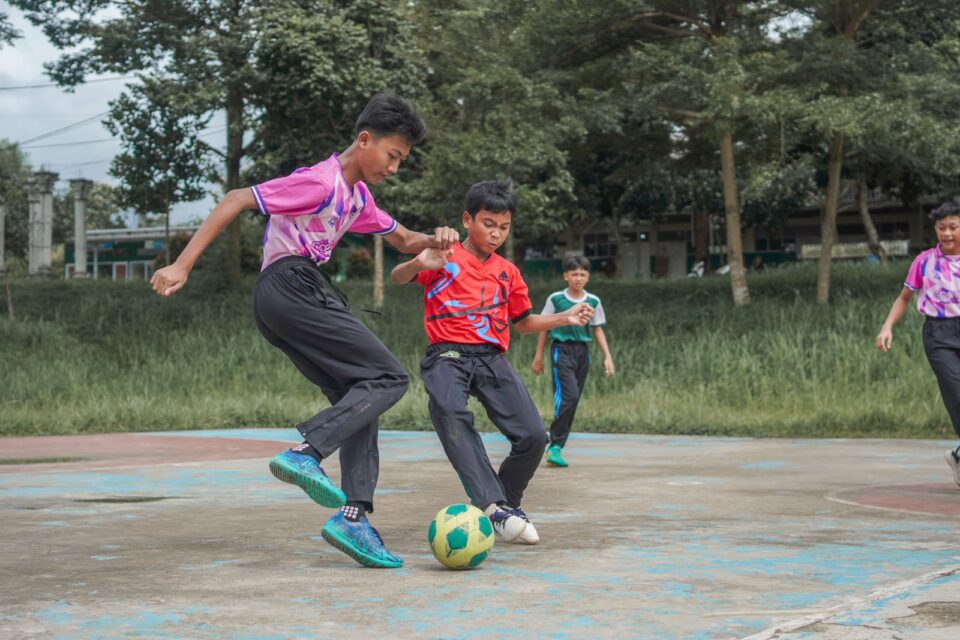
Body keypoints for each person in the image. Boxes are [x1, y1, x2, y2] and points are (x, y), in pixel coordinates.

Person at [150, 94, 459, 568]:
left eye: (401, 160)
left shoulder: (356, 198)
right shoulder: (320, 182)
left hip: (285, 297)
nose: (394, 168)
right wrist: (182, 264)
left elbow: (401, 240)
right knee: (390, 378)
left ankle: (353, 517)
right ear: (363, 139)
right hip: (291, 284)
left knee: (360, 395)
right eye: (392, 156)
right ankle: (305, 451)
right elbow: (237, 200)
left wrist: (438, 240)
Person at [391, 180, 594, 544]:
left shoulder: (508, 272)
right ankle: (492, 503)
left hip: (490, 357)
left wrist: (568, 317)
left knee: (533, 436)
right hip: (447, 354)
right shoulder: (444, 254)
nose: (496, 233)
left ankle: (507, 506)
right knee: (451, 413)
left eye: (504, 227)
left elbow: (524, 323)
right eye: (489, 223)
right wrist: (418, 261)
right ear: (468, 219)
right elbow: (398, 276)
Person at [876, 198, 960, 488]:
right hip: (939, 335)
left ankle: (959, 454)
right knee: (957, 395)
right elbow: (904, 298)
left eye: (953, 227)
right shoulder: (924, 261)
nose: (947, 233)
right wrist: (887, 327)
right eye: (941, 228)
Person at [531, 255, 614, 467]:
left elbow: (597, 329)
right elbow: (544, 325)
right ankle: (554, 442)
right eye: (574, 274)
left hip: (582, 352)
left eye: (582, 274)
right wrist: (538, 356)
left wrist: (608, 357)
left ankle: (555, 446)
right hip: (561, 350)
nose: (578, 278)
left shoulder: (593, 301)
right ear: (565, 276)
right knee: (569, 396)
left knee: (573, 400)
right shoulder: (556, 299)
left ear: (588, 277)